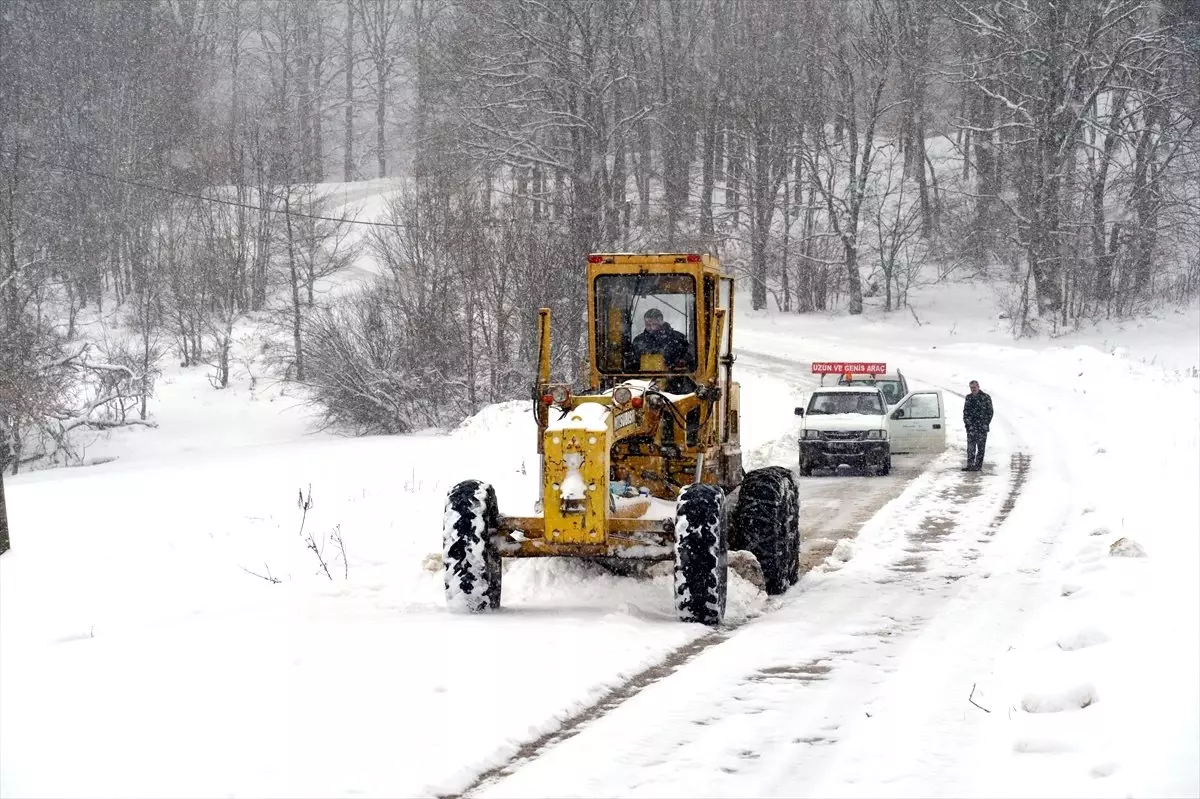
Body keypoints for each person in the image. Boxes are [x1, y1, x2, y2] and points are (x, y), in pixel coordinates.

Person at [962, 380, 993, 471]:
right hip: (971, 428)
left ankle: (978, 466)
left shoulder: (986, 397)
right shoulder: (968, 398)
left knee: (980, 448)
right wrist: (967, 423)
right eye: (971, 388)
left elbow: (990, 412)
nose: (973, 389)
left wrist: (985, 423)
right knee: (970, 448)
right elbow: (965, 412)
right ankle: (970, 465)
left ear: (978, 387)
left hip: (981, 428)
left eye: (974, 387)